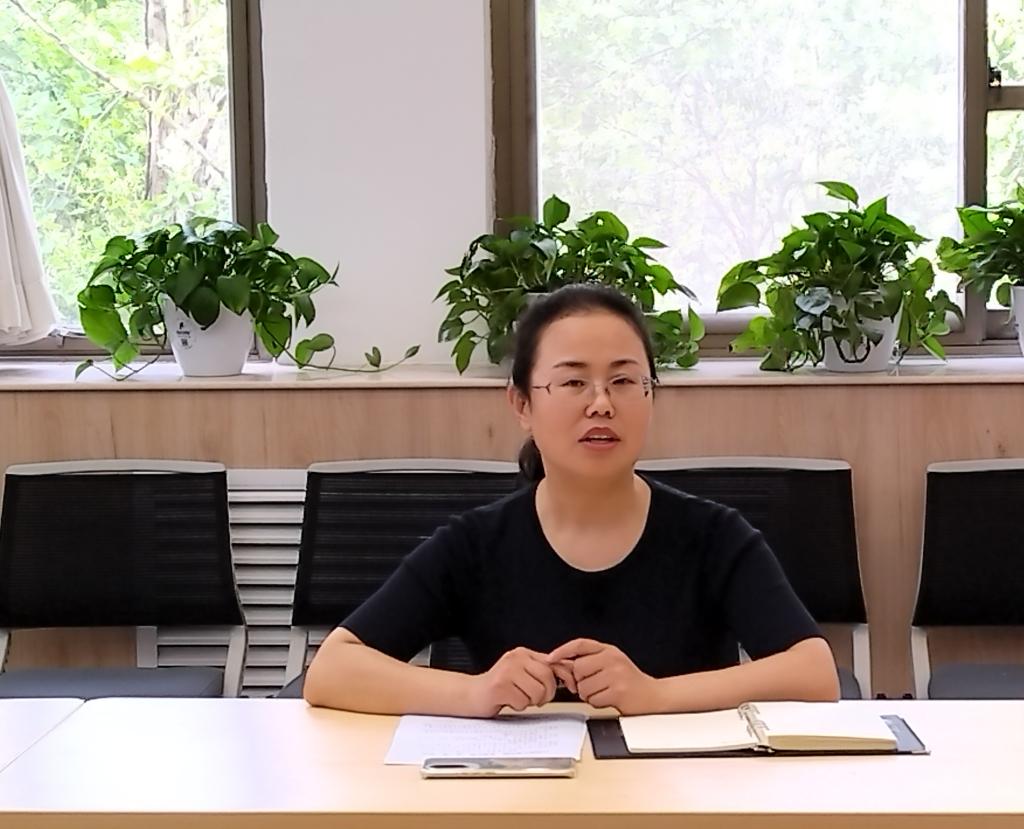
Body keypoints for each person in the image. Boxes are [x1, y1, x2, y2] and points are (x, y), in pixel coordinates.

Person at [304, 284, 840, 716]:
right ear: (522, 405)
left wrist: (654, 695)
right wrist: (476, 692)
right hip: (524, 798)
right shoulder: (476, 545)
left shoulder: (714, 536)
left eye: (624, 381)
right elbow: (333, 670)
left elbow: (814, 672)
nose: (601, 404)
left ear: (651, 396)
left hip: (678, 794)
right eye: (573, 383)